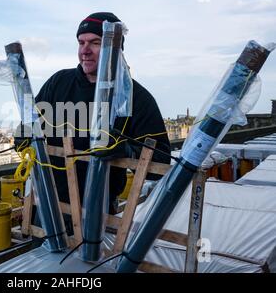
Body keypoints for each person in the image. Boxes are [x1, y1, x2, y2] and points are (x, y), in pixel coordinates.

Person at [15, 12, 171, 216]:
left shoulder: (134, 97)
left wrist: (126, 150)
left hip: (99, 217)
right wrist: (23, 133)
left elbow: (161, 162)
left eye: (95, 43)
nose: (85, 51)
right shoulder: (59, 82)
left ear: (115, 49)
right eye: (81, 43)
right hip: (47, 208)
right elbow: (32, 123)